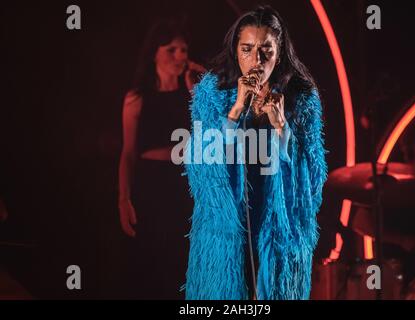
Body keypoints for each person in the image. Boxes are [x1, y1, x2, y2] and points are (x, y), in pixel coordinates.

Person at [183, 6, 327, 300]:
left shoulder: (302, 98)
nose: (256, 61)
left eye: (266, 51)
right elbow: (202, 171)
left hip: (278, 228)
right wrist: (235, 111)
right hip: (226, 230)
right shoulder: (212, 93)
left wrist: (281, 127)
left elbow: (312, 181)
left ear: (280, 51)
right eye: (247, 49)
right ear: (235, 50)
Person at [118, 18, 205, 299]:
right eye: (171, 49)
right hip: (150, 183)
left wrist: (199, 90)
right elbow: (128, 152)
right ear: (154, 52)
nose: (180, 56)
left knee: (180, 265)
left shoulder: (190, 93)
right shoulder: (137, 97)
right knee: (149, 263)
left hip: (183, 183)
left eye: (183, 49)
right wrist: (123, 198)